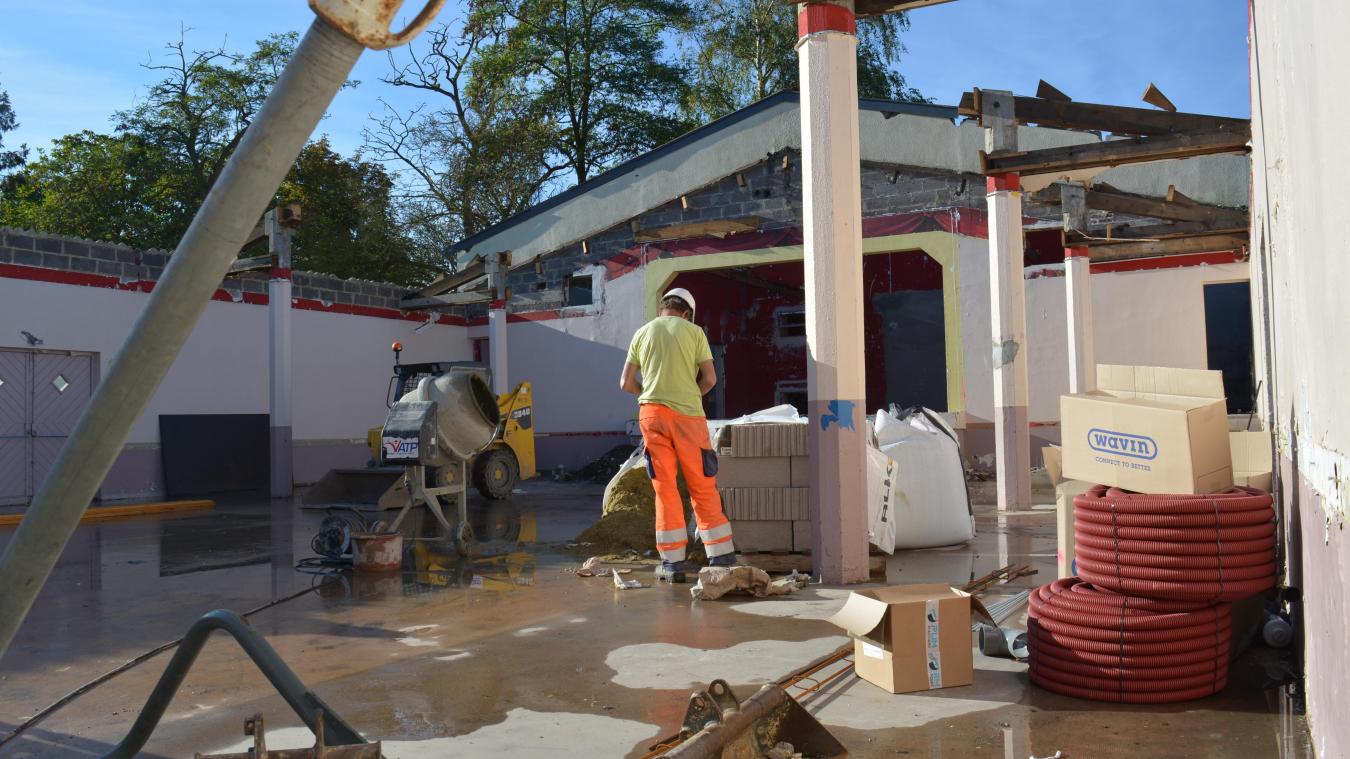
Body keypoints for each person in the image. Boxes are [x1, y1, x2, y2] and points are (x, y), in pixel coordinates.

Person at [619, 287, 735, 583]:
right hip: (688, 417)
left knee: (665, 488)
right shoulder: (694, 332)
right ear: (686, 313)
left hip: (652, 416)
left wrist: (648, 394)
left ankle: (672, 565)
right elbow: (710, 378)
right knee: (702, 484)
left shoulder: (642, 333)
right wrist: (689, 396)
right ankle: (720, 557)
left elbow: (625, 383)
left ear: (663, 309)